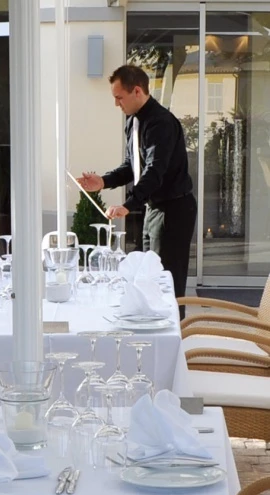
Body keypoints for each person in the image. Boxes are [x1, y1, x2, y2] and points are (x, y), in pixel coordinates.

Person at [78, 64, 197, 318]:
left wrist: (128, 205)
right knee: (146, 279)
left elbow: (154, 171)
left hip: (174, 210)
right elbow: (132, 167)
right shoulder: (132, 122)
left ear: (137, 91)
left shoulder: (161, 123)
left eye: (119, 97)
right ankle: (151, 334)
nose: (116, 104)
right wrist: (103, 181)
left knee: (166, 282)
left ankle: (174, 338)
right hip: (153, 209)